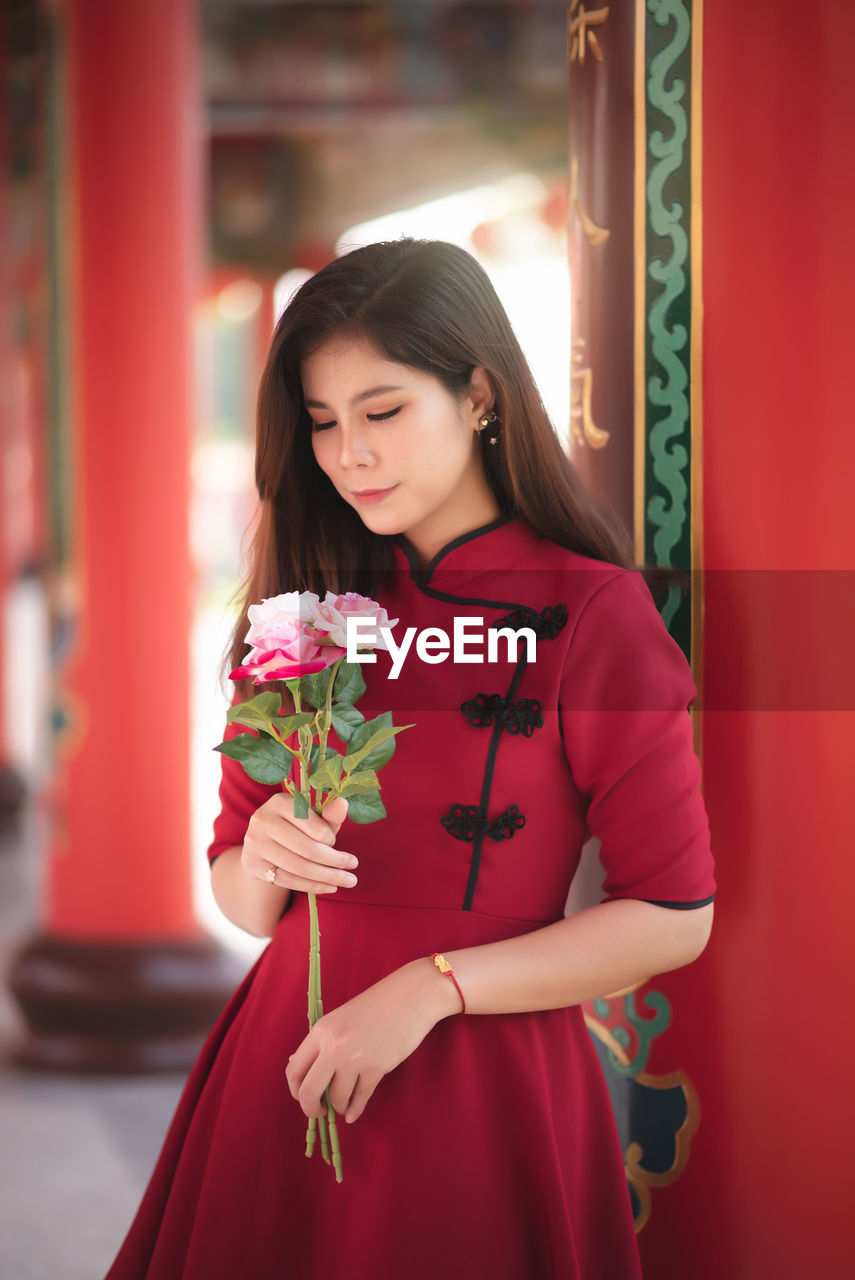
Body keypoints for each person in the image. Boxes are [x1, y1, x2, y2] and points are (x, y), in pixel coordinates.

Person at [105, 237, 715, 1279]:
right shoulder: (305, 610)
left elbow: (673, 915)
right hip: (283, 1070)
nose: (351, 456)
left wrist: (431, 987)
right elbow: (243, 901)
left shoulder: (593, 614)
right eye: (325, 422)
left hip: (486, 1077)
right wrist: (263, 855)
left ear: (478, 393)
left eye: (384, 411)